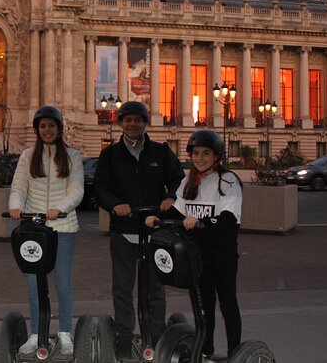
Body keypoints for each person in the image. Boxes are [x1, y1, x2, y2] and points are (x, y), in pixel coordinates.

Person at [93, 100, 184, 359]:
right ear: (120, 123)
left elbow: (179, 178)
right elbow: (100, 188)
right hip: (123, 231)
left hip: (154, 230)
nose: (133, 124)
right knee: (122, 288)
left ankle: (155, 337)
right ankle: (124, 336)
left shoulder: (161, 151)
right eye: (128, 119)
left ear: (145, 123)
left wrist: (171, 197)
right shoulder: (110, 154)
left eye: (138, 119)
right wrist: (114, 205)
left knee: (154, 288)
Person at [146, 130, 243, 359]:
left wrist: (201, 221)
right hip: (196, 254)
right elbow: (176, 210)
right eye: (196, 153)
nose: (200, 158)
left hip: (222, 255)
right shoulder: (188, 182)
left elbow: (229, 220)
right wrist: (154, 217)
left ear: (216, 156)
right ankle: (206, 351)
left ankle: (235, 353)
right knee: (204, 306)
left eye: (206, 153)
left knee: (228, 304)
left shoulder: (228, 181)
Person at [9, 106, 84, 355]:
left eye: (51, 125)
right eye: (43, 126)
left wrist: (59, 208)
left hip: (62, 226)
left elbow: (76, 190)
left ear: (59, 128)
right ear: (37, 130)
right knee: (34, 283)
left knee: (62, 282)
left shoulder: (72, 155)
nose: (47, 130)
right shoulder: (28, 155)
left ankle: (64, 333)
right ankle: (35, 333)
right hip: (34, 228)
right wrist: (16, 207)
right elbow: (19, 186)